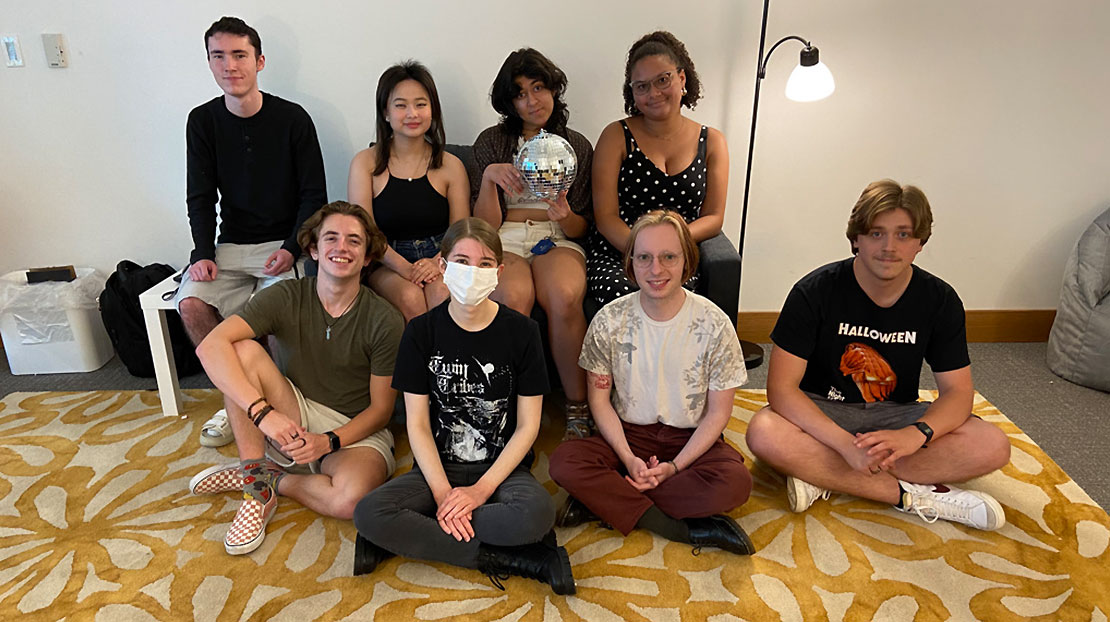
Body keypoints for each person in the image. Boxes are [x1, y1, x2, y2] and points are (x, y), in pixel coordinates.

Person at [745, 180, 1012, 531]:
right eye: (876, 233)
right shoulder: (814, 291)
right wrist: (842, 444)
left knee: (993, 445)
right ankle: (912, 497)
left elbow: (958, 393)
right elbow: (781, 390)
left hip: (896, 415)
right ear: (856, 238)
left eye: (903, 235)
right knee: (764, 432)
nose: (889, 247)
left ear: (920, 243)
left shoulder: (940, 300)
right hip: (823, 412)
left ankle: (822, 477)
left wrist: (916, 434)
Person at [353, 217, 575, 595]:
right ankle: (516, 559)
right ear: (442, 266)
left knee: (537, 514)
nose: (473, 272)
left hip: (501, 470)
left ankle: (408, 535)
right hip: (437, 468)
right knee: (367, 513)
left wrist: (481, 491)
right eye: (461, 261)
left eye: (485, 264)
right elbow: (418, 426)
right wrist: (443, 494)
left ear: (500, 272)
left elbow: (528, 427)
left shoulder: (523, 333)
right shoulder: (420, 332)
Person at [187, 201, 403, 555]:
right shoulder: (285, 296)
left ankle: (274, 477)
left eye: (354, 241)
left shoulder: (385, 319)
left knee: (350, 502)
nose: (341, 248)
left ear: (367, 258)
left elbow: (381, 411)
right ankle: (256, 487)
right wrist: (263, 414)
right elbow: (210, 347)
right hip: (292, 410)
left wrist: (328, 442)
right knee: (241, 351)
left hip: (354, 429)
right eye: (331, 238)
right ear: (314, 250)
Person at [548, 210, 755, 556]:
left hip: (690, 438)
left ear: (686, 260)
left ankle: (603, 501)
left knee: (736, 484)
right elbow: (598, 402)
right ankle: (673, 525)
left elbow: (719, 414)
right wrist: (629, 460)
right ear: (630, 263)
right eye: (644, 258)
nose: (655, 270)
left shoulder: (715, 324)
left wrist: (675, 467)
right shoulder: (608, 320)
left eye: (668, 257)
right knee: (563, 462)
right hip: (627, 435)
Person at [177, 17, 327, 449]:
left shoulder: (293, 119)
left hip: (284, 245)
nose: (230, 65)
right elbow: (200, 195)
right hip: (230, 245)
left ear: (259, 61)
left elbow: (313, 195)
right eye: (218, 56)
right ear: (209, 63)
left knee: (273, 316)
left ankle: (282, 409)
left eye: (239, 55)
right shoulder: (201, 121)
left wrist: (289, 247)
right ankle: (239, 403)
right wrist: (202, 251)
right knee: (191, 305)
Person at [471, 48, 594, 439]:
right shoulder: (492, 142)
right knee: (512, 297)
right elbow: (484, 226)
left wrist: (565, 214)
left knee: (563, 294)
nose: (531, 100)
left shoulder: (576, 144)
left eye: (538, 87)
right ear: (509, 102)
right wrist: (490, 178)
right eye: (520, 93)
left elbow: (581, 228)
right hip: (503, 236)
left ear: (553, 89)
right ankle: (514, 404)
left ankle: (577, 404)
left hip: (556, 237)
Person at [587, 31, 728, 307]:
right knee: (627, 299)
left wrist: (668, 251)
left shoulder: (712, 141)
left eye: (662, 80)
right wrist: (643, 255)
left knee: (672, 301)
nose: (653, 93)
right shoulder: (616, 135)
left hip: (678, 254)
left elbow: (713, 217)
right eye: (641, 86)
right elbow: (605, 217)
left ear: (682, 79)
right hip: (621, 252)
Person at [348, 61, 469, 322]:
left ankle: (441, 363)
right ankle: (416, 364)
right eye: (401, 105)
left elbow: (460, 233)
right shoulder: (365, 163)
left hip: (442, 255)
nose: (412, 113)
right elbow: (366, 232)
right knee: (410, 298)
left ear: (433, 110)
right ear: (386, 112)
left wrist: (436, 263)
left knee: (440, 294)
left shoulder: (452, 165)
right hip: (386, 257)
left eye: (421, 104)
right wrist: (406, 268)